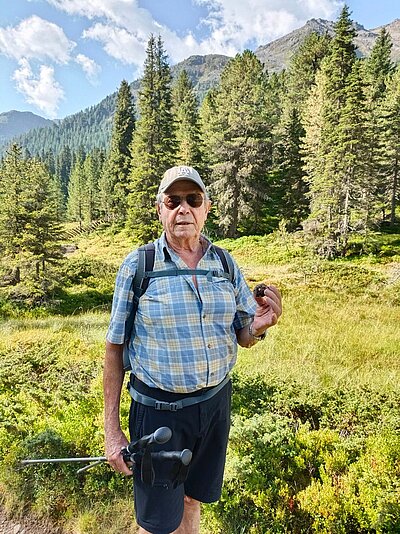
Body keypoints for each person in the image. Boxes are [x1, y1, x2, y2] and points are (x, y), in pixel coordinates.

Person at [103, 165, 282, 534]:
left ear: (206, 208)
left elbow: (242, 334)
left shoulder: (225, 262)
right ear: (160, 209)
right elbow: (114, 348)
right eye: (173, 200)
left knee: (192, 499)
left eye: (192, 199)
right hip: (158, 416)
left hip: (215, 406)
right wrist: (112, 430)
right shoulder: (140, 266)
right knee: (156, 524)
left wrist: (260, 327)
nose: (182, 208)